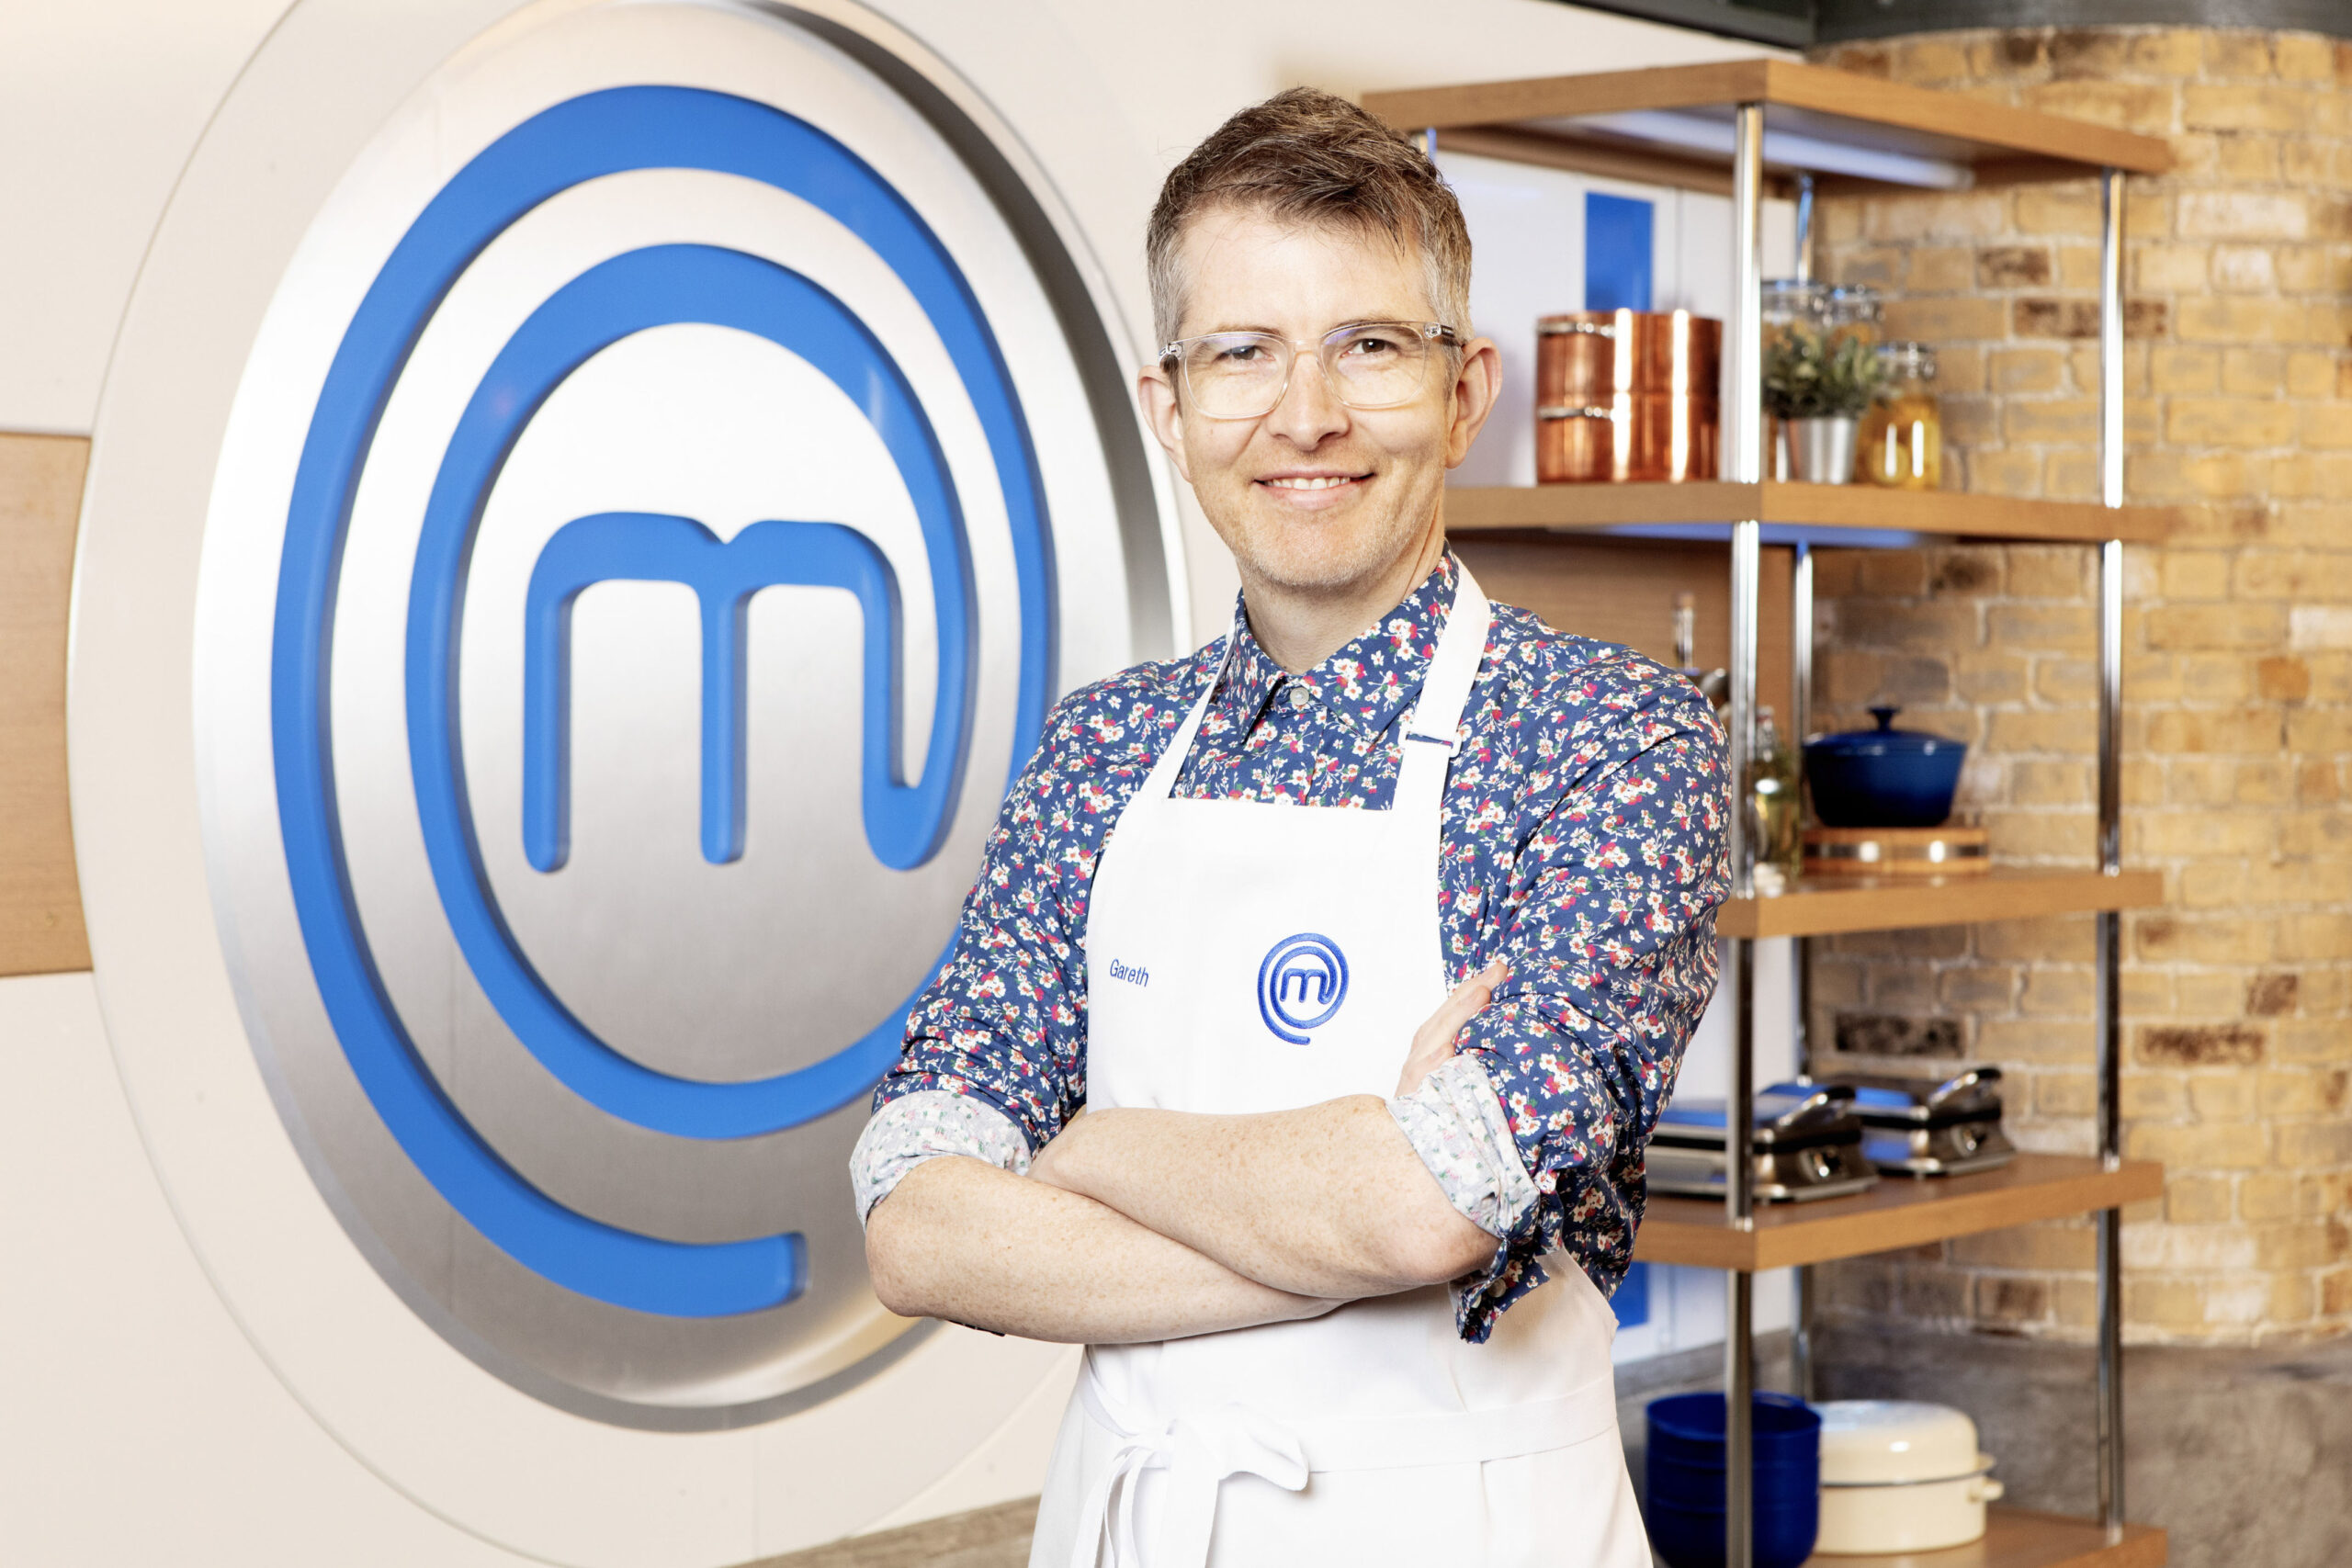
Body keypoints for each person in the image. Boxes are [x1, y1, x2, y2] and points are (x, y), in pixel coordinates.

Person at [852, 86, 1728, 1568]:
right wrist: (1346, 1202)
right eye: (1243, 353)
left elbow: (1425, 1214)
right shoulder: (1100, 751)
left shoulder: (1613, 744)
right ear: (1170, 406)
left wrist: (1094, 1144)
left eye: (1370, 347)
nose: (1304, 415)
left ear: (1465, 391)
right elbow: (916, 1227)